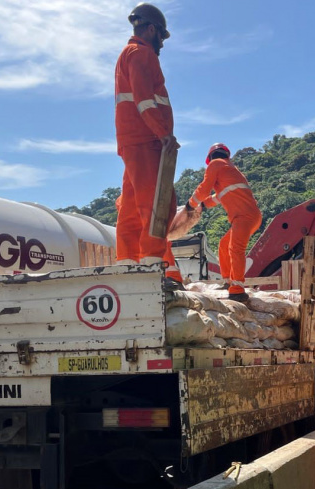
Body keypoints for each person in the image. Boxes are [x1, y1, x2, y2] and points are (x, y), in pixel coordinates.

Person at [114, 3, 184, 291]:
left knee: (131, 208)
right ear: (152, 29)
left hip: (132, 141)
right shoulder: (142, 53)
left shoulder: (127, 54)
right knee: (159, 205)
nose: (162, 45)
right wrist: (163, 134)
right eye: (162, 38)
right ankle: (153, 269)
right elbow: (145, 99)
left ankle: (126, 266)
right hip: (147, 140)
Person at [187, 143, 262, 302]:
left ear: (210, 159)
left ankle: (237, 288)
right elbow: (217, 198)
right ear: (226, 155)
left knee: (236, 248)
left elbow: (204, 189)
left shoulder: (216, 164)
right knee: (224, 244)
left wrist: (190, 205)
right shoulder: (230, 173)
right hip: (249, 217)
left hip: (244, 217)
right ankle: (228, 282)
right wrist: (202, 205)